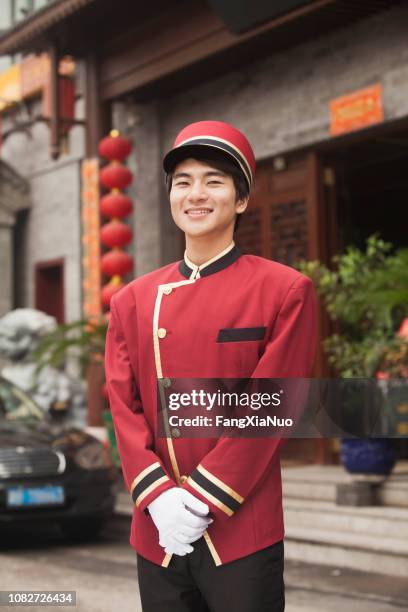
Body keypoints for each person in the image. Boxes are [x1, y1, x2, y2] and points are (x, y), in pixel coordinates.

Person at [105, 120, 317, 611]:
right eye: (183, 182)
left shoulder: (283, 290)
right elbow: (123, 402)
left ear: (241, 200)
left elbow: (271, 407)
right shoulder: (132, 300)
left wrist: (199, 498)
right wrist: (157, 496)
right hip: (157, 530)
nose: (196, 194)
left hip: (239, 528)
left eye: (214, 181)